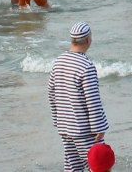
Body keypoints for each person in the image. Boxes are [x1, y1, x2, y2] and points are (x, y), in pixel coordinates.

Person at [47, 22, 109, 172]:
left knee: (72, 167)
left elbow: (51, 92)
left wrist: (58, 121)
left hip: (65, 127)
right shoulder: (86, 66)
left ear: (72, 40)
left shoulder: (59, 61)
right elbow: (92, 101)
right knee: (97, 166)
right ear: (88, 41)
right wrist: (99, 128)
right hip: (84, 130)